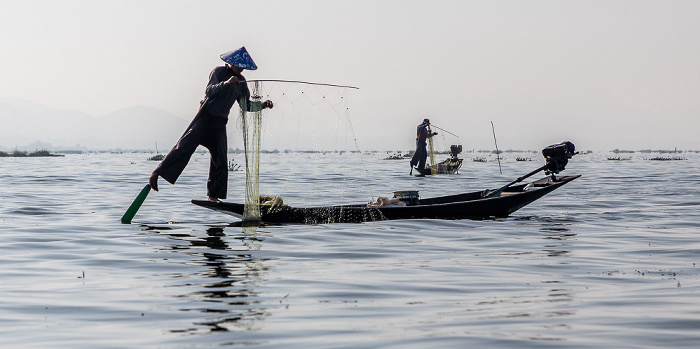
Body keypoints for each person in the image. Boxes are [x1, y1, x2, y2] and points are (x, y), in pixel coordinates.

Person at [148, 46, 273, 202]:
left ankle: (213, 196)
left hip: (219, 124)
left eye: (243, 67)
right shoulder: (219, 72)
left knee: (220, 159)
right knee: (184, 147)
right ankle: (156, 173)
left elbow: (245, 105)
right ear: (231, 63)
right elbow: (209, 91)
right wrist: (226, 83)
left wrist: (262, 105)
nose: (240, 69)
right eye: (238, 65)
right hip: (205, 118)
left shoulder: (241, 81)